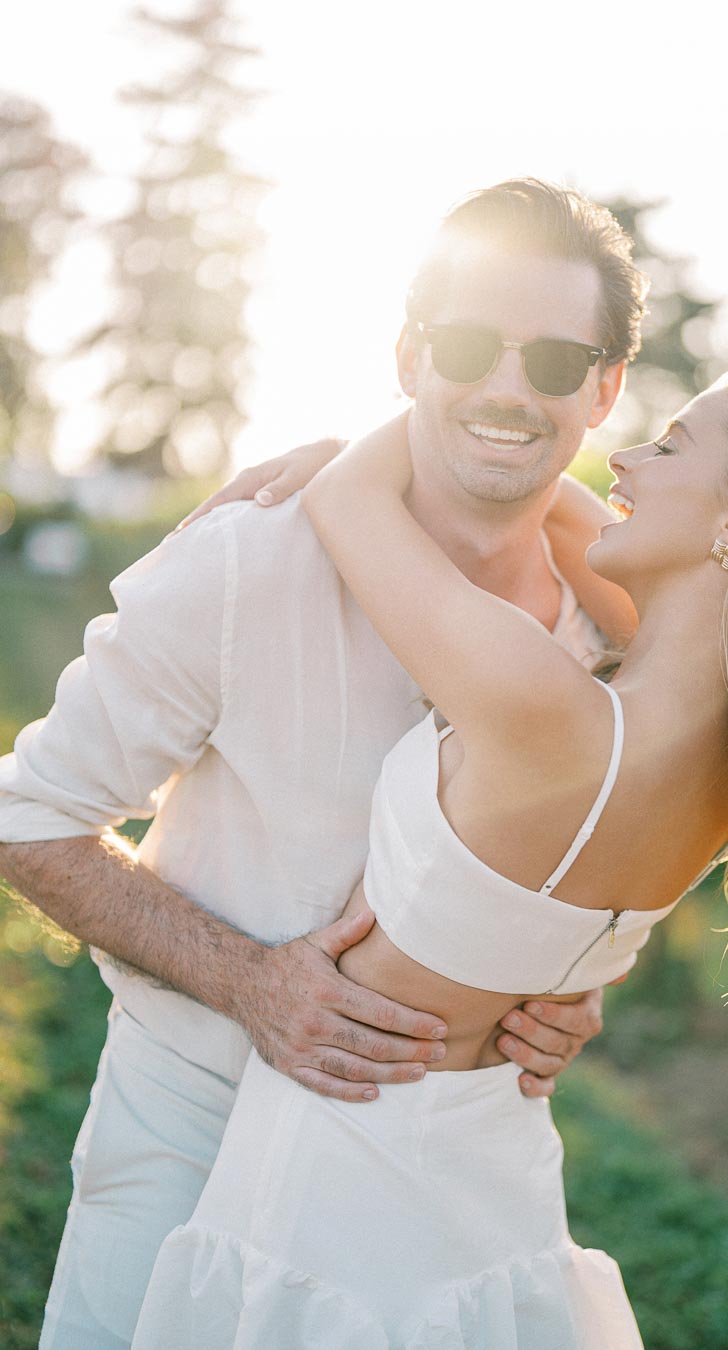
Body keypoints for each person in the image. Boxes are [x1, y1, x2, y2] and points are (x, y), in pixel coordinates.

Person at [0, 179, 648, 1348]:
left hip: (442, 1182)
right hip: (190, 1137)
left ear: (604, 390)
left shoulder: (611, 631)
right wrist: (254, 982)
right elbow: (30, 818)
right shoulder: (247, 562)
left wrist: (569, 986)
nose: (508, 388)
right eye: (467, 345)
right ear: (410, 356)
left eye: (557, 361)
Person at [131, 370, 728, 1347]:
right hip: (491, 1157)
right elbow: (563, 519)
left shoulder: (549, 708)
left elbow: (349, 502)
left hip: (344, 1168)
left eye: (666, 445)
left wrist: (429, 411)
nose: (621, 458)